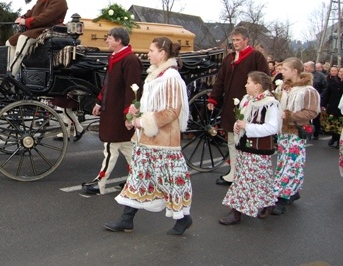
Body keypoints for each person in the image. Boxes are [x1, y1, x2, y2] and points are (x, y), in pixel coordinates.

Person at [106, 37, 192, 236]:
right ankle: (126, 219)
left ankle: (184, 218)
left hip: (164, 141)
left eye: (152, 50)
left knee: (168, 180)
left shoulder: (171, 78)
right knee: (138, 177)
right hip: (147, 139)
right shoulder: (156, 75)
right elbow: (151, 106)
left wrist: (143, 122)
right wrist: (135, 113)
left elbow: (172, 111)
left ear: (162, 53)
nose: (148, 54)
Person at [82, 27, 143, 195]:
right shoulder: (116, 58)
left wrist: (128, 115)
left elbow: (133, 90)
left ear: (118, 40)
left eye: (109, 38)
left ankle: (100, 183)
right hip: (113, 113)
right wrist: (100, 102)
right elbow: (108, 84)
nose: (107, 40)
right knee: (126, 149)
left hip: (119, 115)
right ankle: (138, 180)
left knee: (110, 148)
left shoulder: (130, 60)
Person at [208, 26, 269, 186]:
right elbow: (220, 80)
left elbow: (265, 80)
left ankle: (247, 172)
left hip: (250, 106)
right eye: (233, 40)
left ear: (246, 40)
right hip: (230, 105)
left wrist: (259, 100)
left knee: (245, 139)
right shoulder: (229, 59)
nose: (235, 43)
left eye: (238, 40)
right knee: (231, 139)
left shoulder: (256, 57)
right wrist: (213, 99)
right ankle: (234, 172)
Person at [218, 71, 280, 225]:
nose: (246, 85)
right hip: (245, 146)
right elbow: (241, 119)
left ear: (257, 86)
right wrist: (238, 126)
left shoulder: (270, 103)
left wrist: (248, 127)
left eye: (248, 82)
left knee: (243, 181)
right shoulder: (248, 100)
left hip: (259, 149)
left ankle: (236, 212)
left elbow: (273, 127)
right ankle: (269, 203)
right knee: (261, 178)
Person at [272, 57, 319, 215]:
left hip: (296, 132)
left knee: (291, 165)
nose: (282, 72)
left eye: (285, 69)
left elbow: (312, 112)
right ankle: (293, 191)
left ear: (295, 71)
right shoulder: (284, 88)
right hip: (283, 132)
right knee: (283, 163)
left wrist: (291, 115)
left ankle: (282, 198)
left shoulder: (308, 91)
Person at [6, 0, 68, 77]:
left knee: (23, 38)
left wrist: (26, 22)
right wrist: (23, 17)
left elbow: (46, 18)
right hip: (36, 29)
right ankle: (9, 70)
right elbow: (33, 10)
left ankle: (11, 75)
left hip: (47, 29)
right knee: (10, 42)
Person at [304, 61, 327, 140]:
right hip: (306, 98)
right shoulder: (303, 75)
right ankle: (307, 132)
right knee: (306, 116)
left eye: (306, 67)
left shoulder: (321, 76)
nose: (305, 68)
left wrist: (320, 97)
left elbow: (325, 88)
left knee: (315, 117)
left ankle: (316, 133)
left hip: (316, 99)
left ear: (312, 67)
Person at [321, 66, 343, 147]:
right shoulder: (332, 81)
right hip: (333, 106)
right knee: (332, 125)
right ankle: (334, 137)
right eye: (340, 71)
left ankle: (338, 140)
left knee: (340, 126)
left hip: (341, 108)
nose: (341, 73)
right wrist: (323, 104)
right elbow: (327, 93)